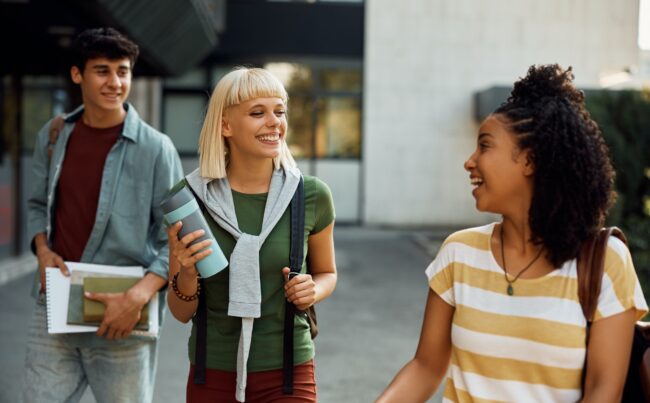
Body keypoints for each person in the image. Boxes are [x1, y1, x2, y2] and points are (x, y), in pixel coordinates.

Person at [377, 64, 648, 402]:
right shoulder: (458, 253)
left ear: (530, 160)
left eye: (485, 146)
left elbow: (603, 391)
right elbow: (426, 367)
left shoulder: (604, 261)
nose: (470, 161)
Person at [23, 27, 183, 403]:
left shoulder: (157, 149)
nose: (115, 82)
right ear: (77, 74)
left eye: (123, 71)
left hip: (123, 313)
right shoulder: (54, 135)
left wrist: (138, 297)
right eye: (102, 70)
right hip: (54, 306)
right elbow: (35, 205)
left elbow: (177, 236)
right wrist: (43, 251)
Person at [166, 67, 337, 403]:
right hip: (212, 372)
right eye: (258, 113)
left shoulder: (311, 195)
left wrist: (312, 290)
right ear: (225, 125)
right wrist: (186, 272)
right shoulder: (190, 197)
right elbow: (181, 311)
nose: (274, 122)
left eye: (279, 111)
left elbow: (327, 273)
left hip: (290, 371)